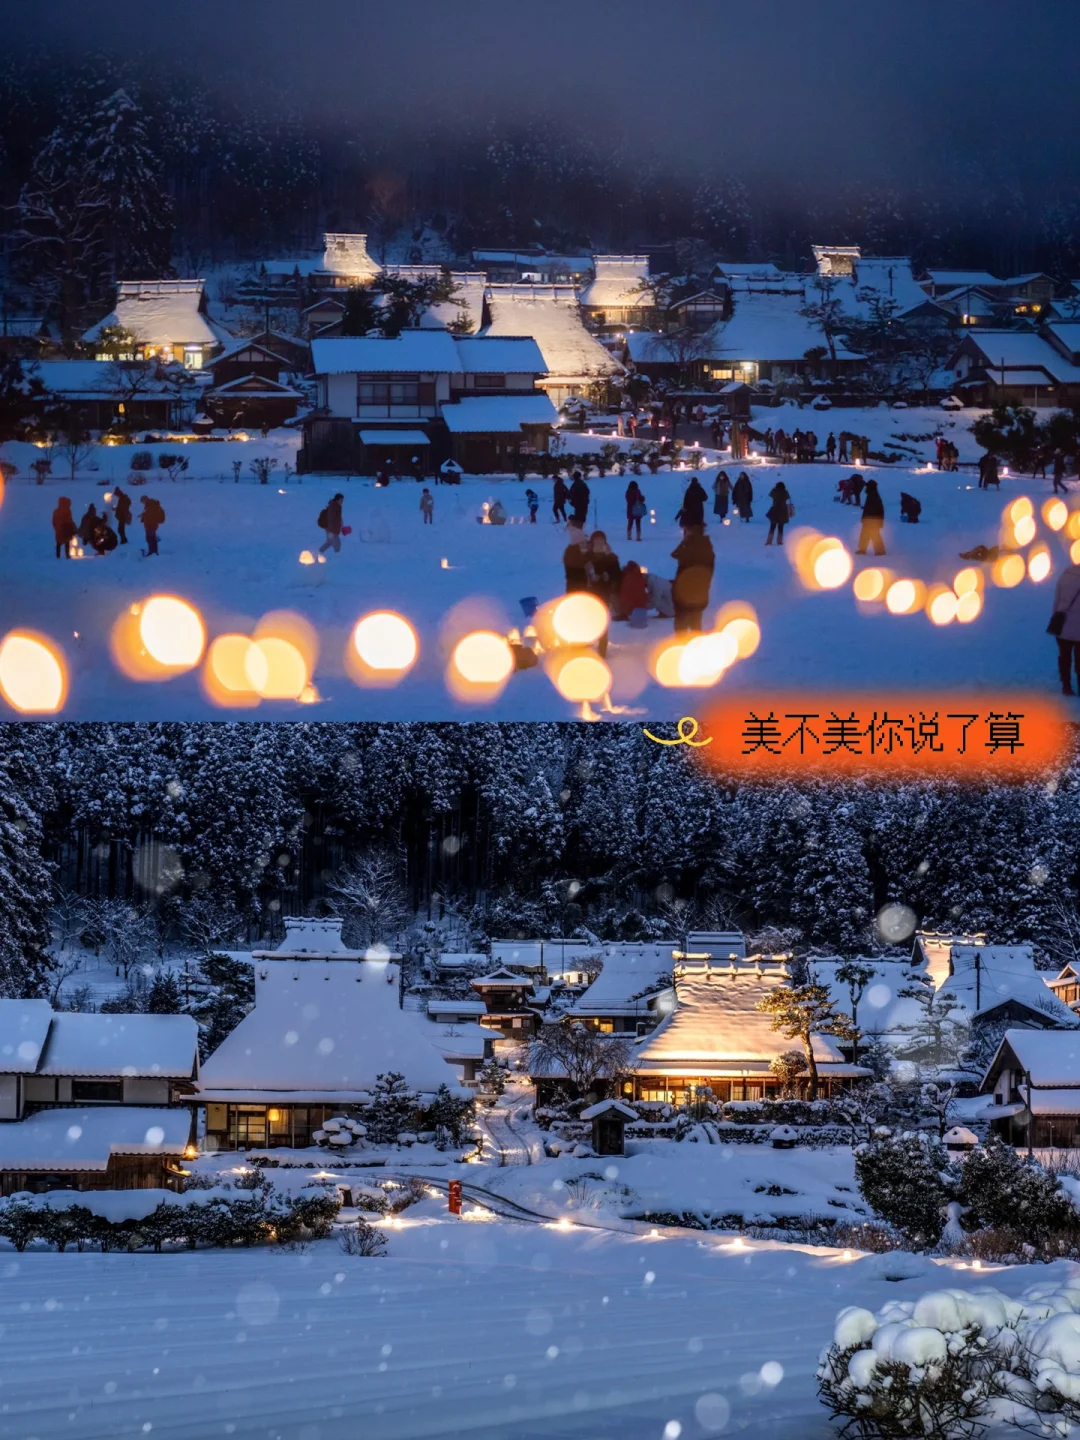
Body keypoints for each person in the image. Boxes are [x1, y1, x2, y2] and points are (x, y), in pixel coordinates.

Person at [671, 524, 715, 632]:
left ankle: (682, 644)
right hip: (700, 591)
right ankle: (695, 645)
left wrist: (684, 542)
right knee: (695, 622)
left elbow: (675, 554)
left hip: (685, 590)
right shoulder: (707, 547)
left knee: (681, 623)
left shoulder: (689, 546)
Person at [1050, 558, 1080, 695]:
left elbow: (1056, 601)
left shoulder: (1065, 575)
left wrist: (1056, 619)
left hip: (1064, 625)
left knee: (1064, 657)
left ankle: (1066, 686)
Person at [586, 531, 622, 609]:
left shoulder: (611, 556)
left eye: (601, 540)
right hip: (591, 589)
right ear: (592, 542)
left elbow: (618, 574)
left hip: (607, 588)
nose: (599, 542)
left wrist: (609, 576)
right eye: (597, 540)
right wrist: (591, 577)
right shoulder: (587, 556)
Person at [856, 478, 886, 555]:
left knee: (874, 534)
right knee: (865, 534)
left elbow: (877, 509)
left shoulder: (873, 496)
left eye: (867, 486)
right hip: (869, 519)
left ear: (870, 487)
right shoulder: (872, 495)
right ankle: (862, 549)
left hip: (872, 520)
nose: (866, 488)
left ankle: (880, 551)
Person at [765, 481, 791, 546]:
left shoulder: (775, 492)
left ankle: (769, 541)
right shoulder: (785, 492)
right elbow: (788, 497)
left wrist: (774, 489)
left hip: (775, 510)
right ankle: (779, 541)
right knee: (781, 527)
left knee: (772, 527)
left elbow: (770, 494)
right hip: (783, 511)